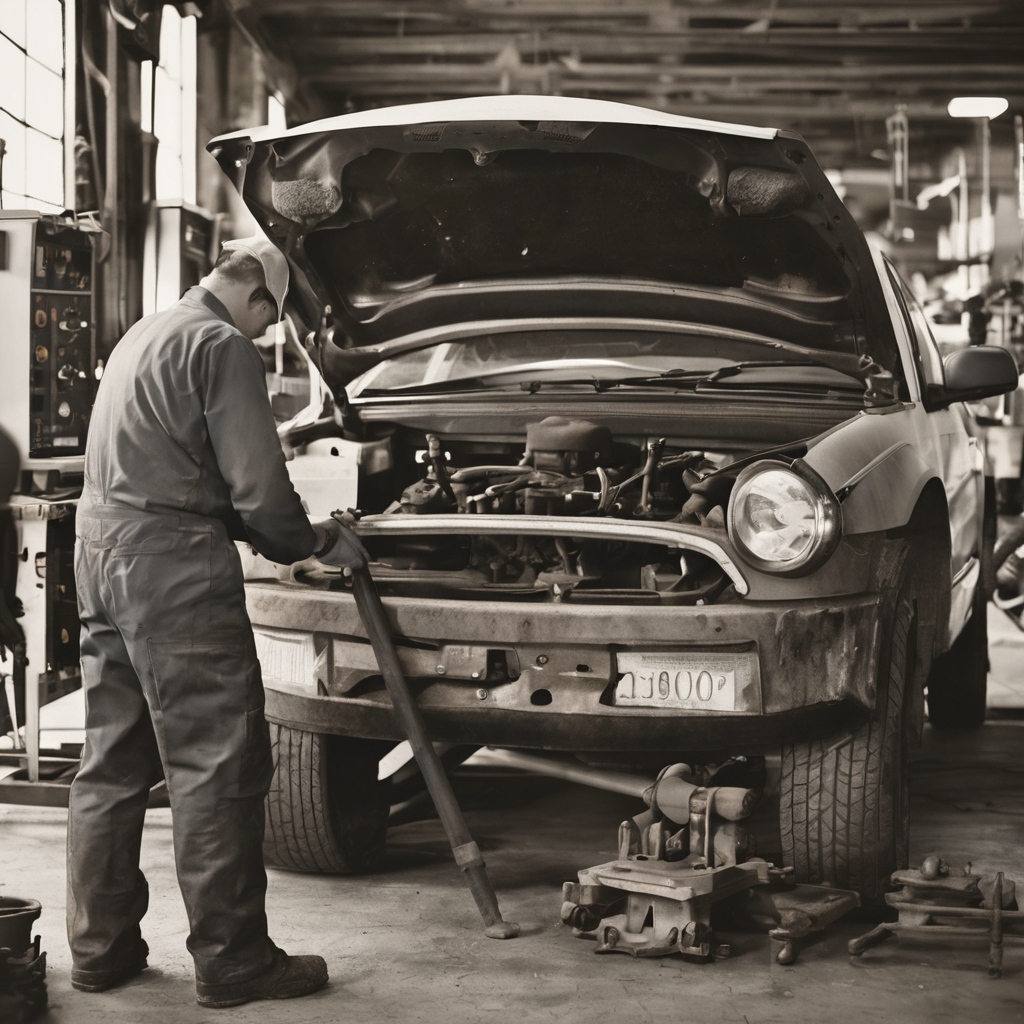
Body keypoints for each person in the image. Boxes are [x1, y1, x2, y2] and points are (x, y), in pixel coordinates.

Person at [67, 237, 342, 1008]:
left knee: (112, 763)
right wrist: (314, 542)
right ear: (255, 297)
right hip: (174, 572)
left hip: (100, 555)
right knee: (215, 766)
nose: (265, 332)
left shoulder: (145, 332)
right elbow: (259, 493)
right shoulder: (222, 347)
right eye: (269, 319)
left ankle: (99, 951)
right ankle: (234, 961)